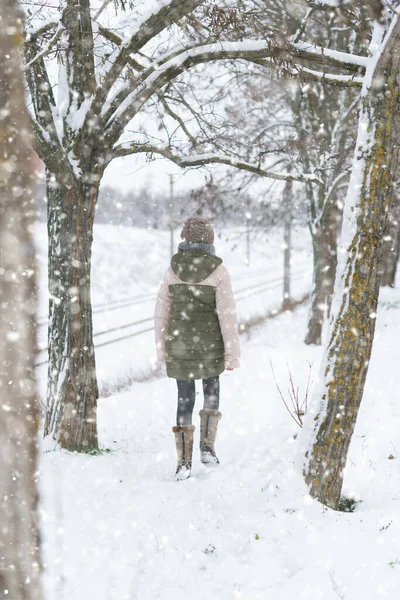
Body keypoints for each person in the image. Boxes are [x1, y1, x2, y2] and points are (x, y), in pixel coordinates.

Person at [154, 216, 240, 480]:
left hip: (179, 345)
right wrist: (232, 354)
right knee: (211, 389)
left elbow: (162, 313)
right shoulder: (219, 271)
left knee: (185, 397)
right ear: (209, 240)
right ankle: (207, 447)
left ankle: (183, 463)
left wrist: (162, 349)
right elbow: (227, 316)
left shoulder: (172, 269)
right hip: (210, 345)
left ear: (185, 239)